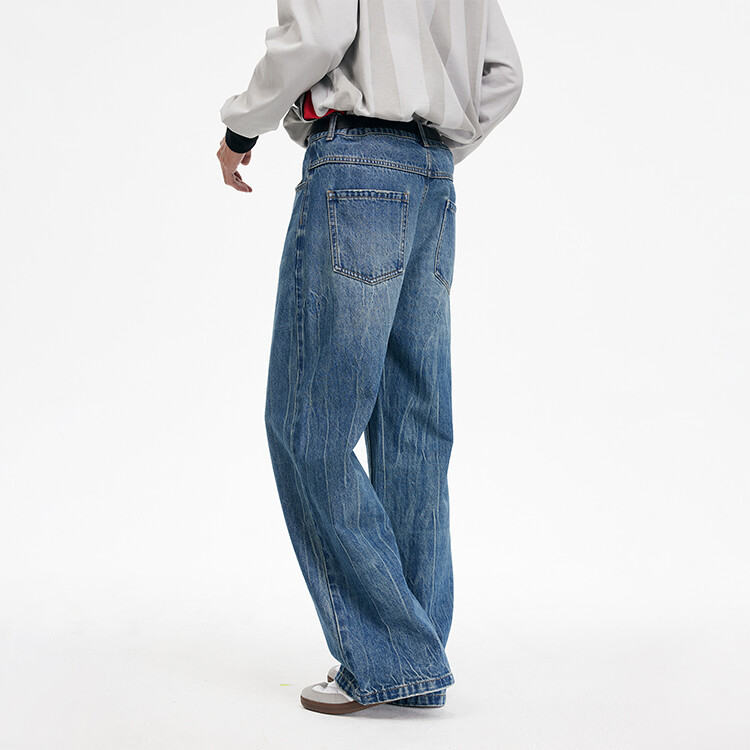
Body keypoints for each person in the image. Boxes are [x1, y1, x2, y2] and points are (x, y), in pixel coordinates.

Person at [216, 0, 523, 715]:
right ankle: (417, 659)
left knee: (309, 426)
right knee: (414, 427)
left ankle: (394, 658)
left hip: (356, 167)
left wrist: (242, 124)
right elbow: (505, 74)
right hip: (434, 178)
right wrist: (433, 145)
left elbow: (320, 33)